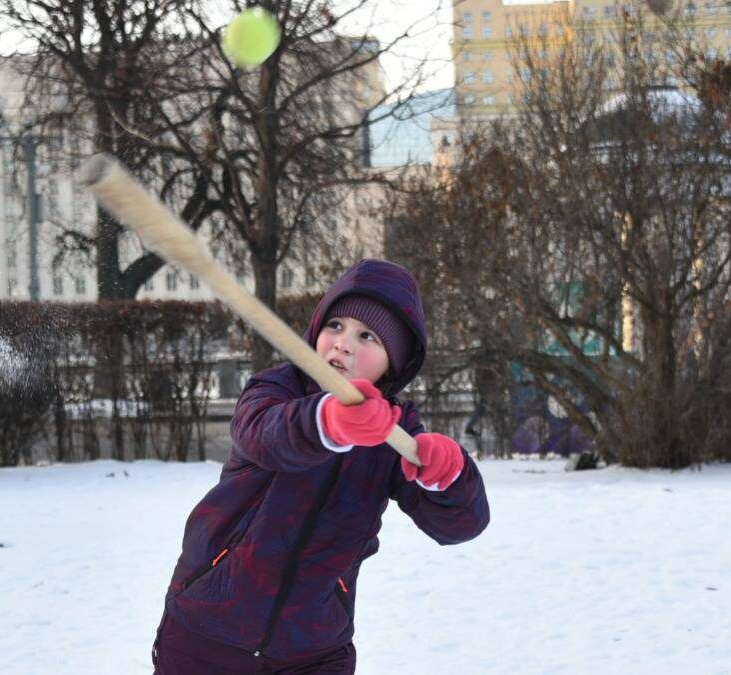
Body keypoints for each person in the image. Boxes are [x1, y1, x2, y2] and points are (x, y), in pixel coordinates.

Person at [151, 258, 490, 674]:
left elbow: (459, 526)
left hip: (313, 648)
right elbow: (263, 435)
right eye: (335, 326)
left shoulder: (397, 432)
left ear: (394, 363)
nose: (343, 343)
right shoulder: (276, 389)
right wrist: (327, 422)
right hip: (209, 629)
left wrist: (452, 477)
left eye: (367, 336)